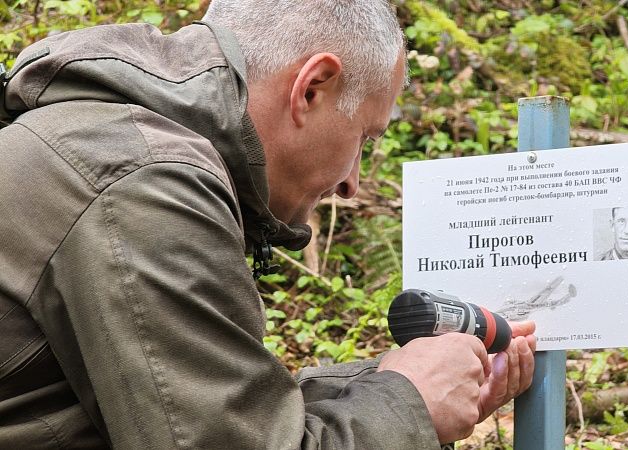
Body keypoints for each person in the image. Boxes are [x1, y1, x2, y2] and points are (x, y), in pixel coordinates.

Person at [0, 1, 536, 448]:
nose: (352, 183)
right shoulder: (141, 181)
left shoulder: (111, 140)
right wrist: (409, 402)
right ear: (311, 88)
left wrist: (397, 381)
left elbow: (224, 413)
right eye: (364, 140)